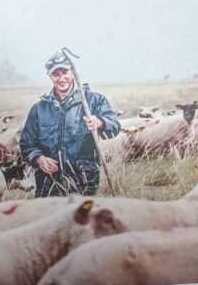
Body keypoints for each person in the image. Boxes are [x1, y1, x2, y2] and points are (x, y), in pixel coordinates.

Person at [19, 49, 121, 198]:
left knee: (82, 220)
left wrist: (100, 123)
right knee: (50, 221)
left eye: (65, 72)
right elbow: (26, 144)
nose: (61, 78)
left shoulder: (94, 101)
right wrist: (38, 158)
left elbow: (115, 127)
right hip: (49, 184)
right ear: (50, 76)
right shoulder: (39, 109)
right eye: (56, 74)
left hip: (84, 183)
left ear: (73, 72)